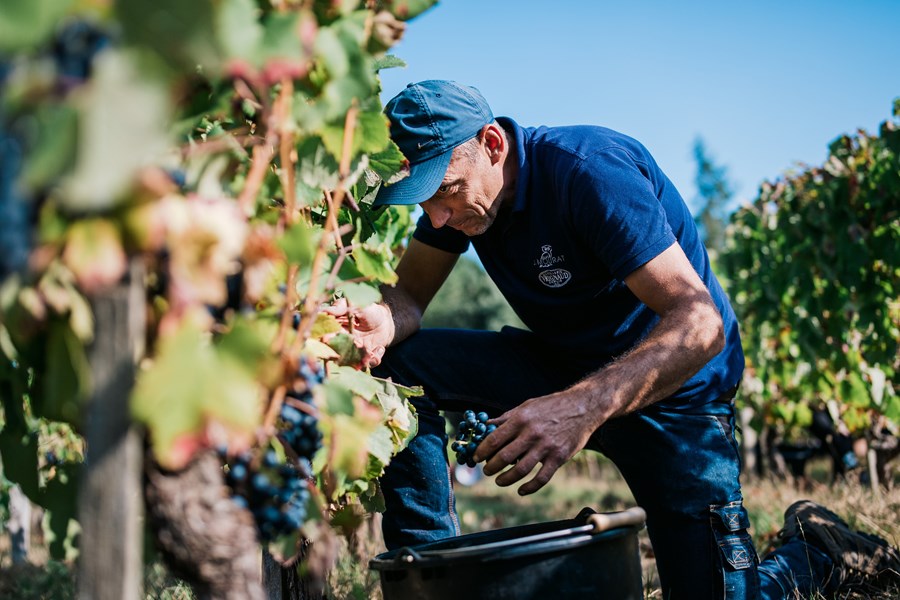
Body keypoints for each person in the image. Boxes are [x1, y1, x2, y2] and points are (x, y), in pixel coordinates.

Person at [340, 80, 899, 599]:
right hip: (568, 369)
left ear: (491, 143)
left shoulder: (589, 172)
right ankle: (437, 577)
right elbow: (409, 297)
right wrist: (383, 321)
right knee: (404, 363)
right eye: (423, 203)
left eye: (446, 192)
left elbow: (700, 325)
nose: (435, 218)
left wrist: (580, 407)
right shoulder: (459, 209)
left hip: (675, 391)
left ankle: (818, 550)